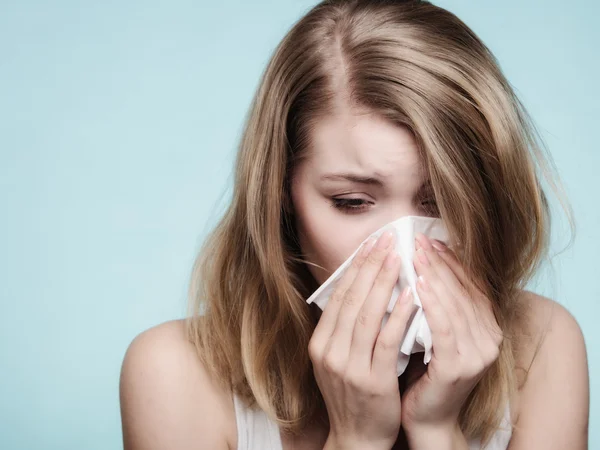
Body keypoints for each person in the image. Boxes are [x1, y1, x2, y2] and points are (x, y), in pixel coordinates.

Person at [119, 1, 589, 449]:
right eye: (352, 201)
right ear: (281, 193)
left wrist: (438, 432)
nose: (403, 248)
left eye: (443, 202)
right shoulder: (173, 375)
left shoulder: (542, 347)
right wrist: (355, 441)